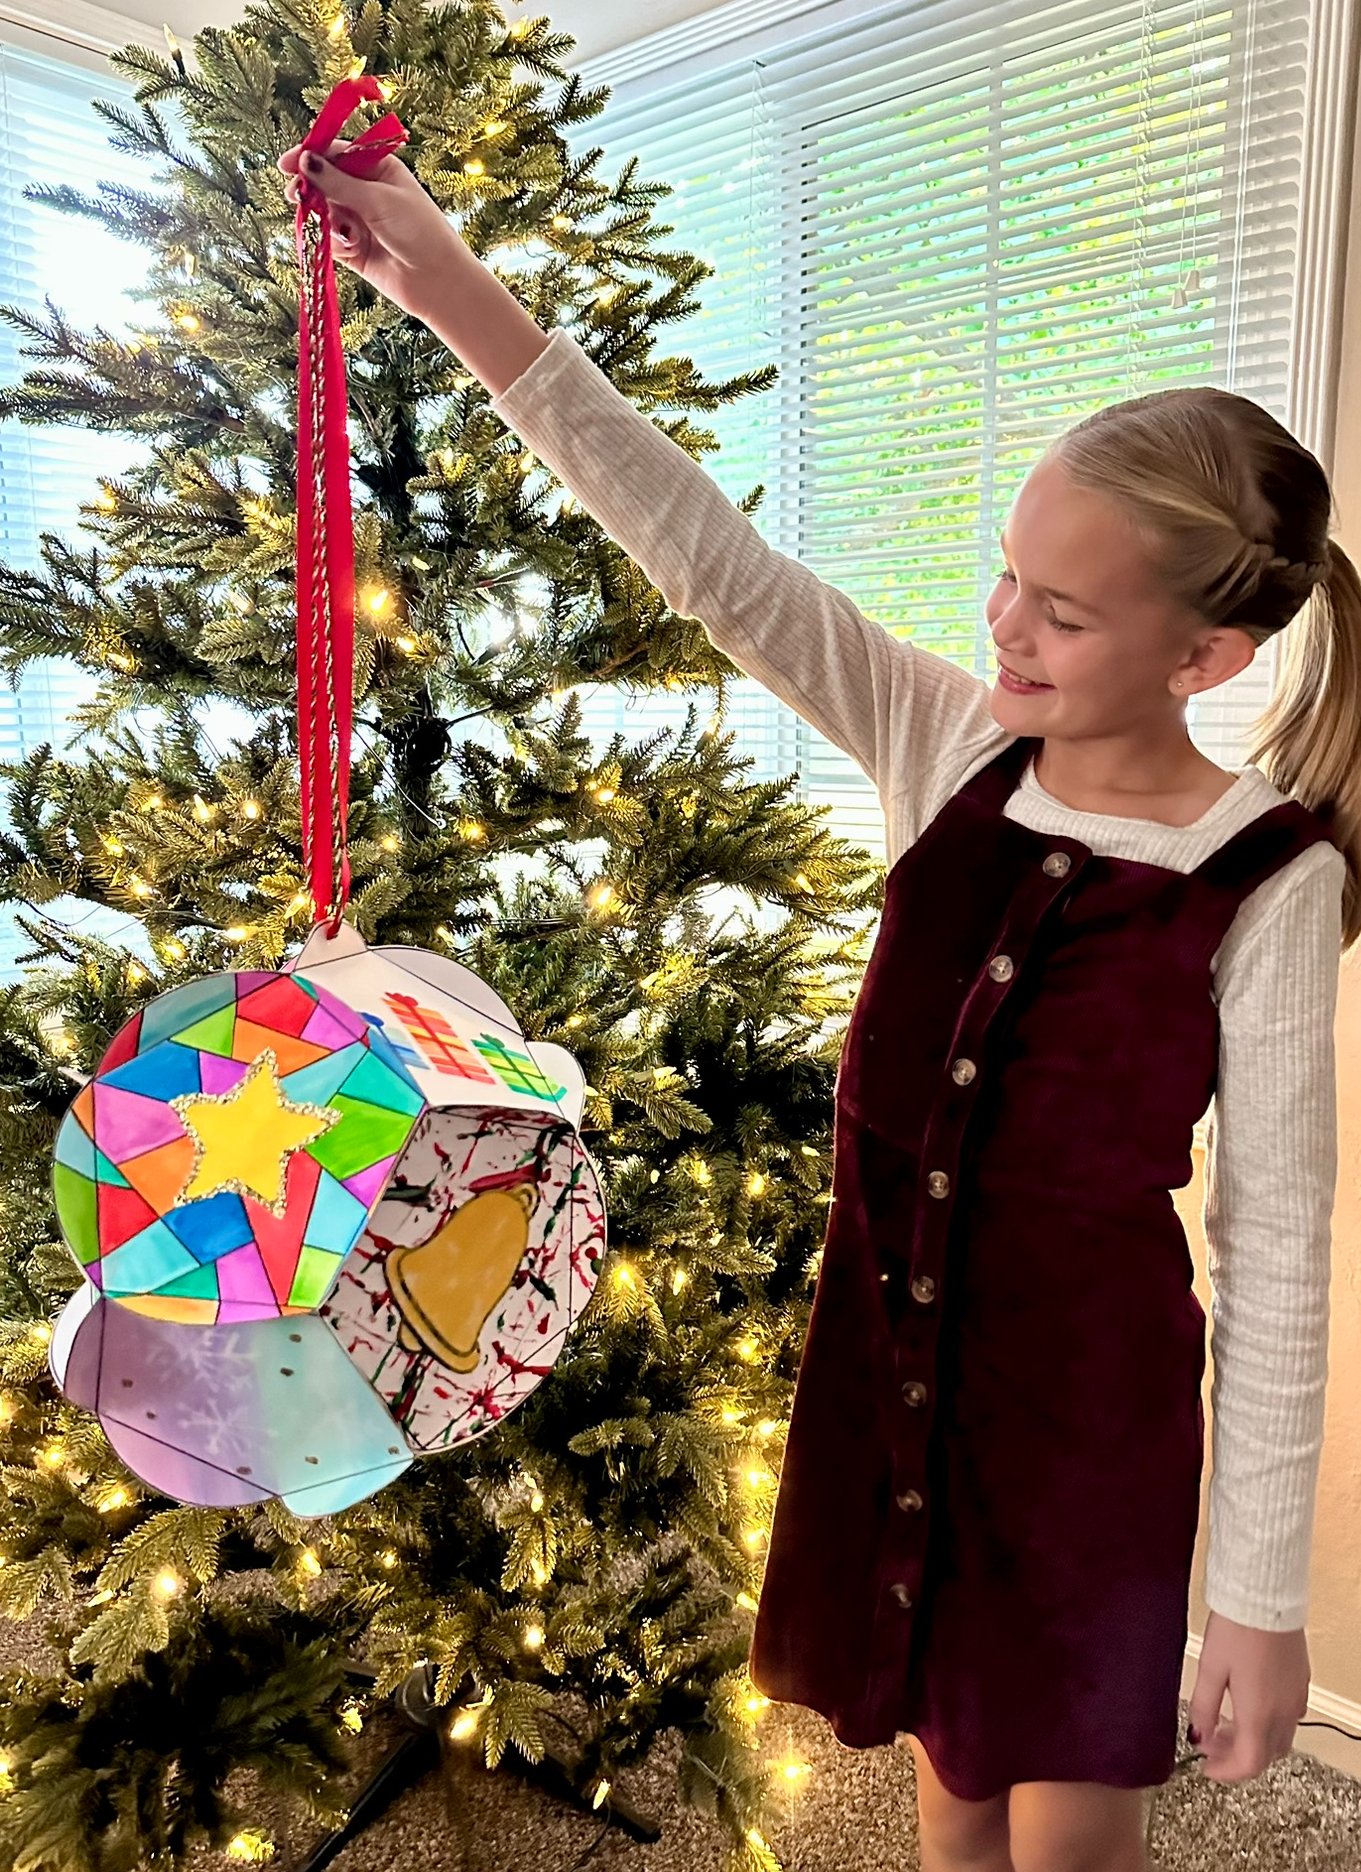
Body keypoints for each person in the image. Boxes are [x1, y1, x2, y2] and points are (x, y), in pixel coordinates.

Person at [279, 134, 1359, 1872]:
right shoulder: (944, 742)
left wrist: (1253, 1603)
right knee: (947, 1775)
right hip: (887, 1381)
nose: (1003, 625)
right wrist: (450, 285)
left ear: (1204, 658)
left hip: (1088, 1448)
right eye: (1006, 576)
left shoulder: (1267, 877)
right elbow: (710, 557)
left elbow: (1279, 1256)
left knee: (1066, 1810)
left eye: (1060, 614)